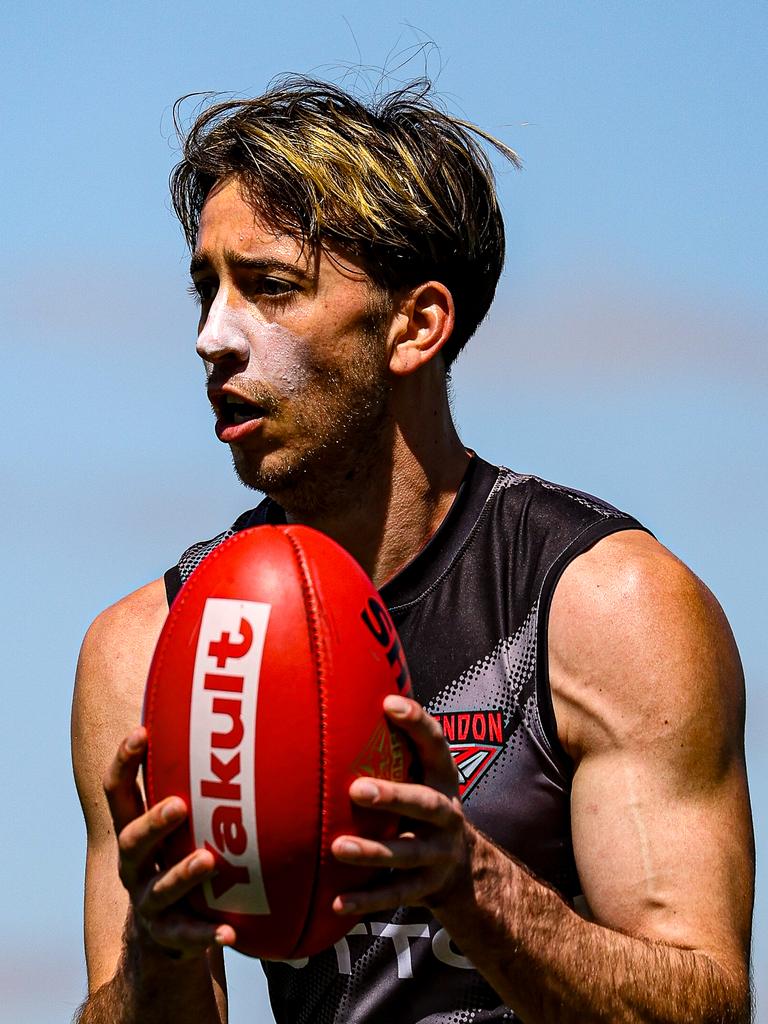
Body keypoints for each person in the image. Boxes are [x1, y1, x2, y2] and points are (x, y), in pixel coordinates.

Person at [72, 78, 754, 1024]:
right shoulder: (150, 650)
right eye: (206, 288)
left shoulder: (606, 605)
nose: (211, 339)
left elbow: (707, 1007)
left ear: (416, 326)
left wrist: (471, 883)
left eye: (268, 286)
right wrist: (159, 959)